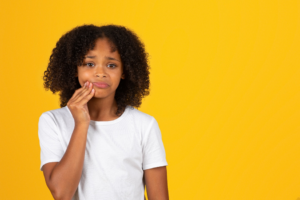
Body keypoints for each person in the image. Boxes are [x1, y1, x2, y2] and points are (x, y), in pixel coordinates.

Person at [38, 24, 169, 200]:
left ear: (124, 71)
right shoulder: (52, 121)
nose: (100, 73)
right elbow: (61, 193)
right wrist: (82, 124)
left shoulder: (144, 125)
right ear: (74, 69)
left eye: (111, 65)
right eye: (89, 64)